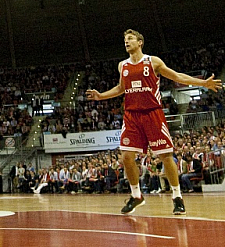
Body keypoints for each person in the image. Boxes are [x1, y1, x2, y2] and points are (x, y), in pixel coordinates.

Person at [86, 28, 222, 216]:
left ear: (140, 42)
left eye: (130, 39)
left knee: (166, 156)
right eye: (125, 39)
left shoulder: (153, 61)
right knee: (126, 157)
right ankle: (136, 195)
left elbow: (177, 76)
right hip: (132, 116)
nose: (127, 42)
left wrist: (203, 83)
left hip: (153, 114)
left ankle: (177, 197)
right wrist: (101, 96)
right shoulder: (122, 66)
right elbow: (120, 88)